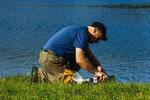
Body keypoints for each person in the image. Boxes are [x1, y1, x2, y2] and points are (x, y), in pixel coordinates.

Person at [32, 21, 108, 83]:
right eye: (99, 38)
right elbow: (80, 60)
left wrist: (101, 71)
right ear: (95, 30)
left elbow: (91, 57)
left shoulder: (81, 32)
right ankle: (39, 74)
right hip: (50, 58)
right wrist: (95, 72)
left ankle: (69, 76)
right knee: (71, 83)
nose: (98, 41)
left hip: (51, 57)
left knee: (81, 54)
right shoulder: (82, 34)